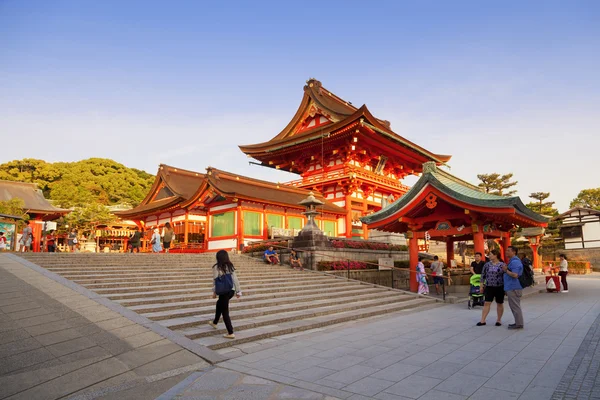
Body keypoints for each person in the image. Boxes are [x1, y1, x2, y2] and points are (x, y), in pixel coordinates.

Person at [209, 250, 242, 339]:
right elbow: (235, 279)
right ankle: (215, 322)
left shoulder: (217, 267)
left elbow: (215, 280)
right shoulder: (230, 265)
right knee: (219, 304)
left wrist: (214, 292)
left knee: (225, 311)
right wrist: (238, 291)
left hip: (223, 291)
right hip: (231, 290)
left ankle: (230, 332)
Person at [477, 249, 505, 326]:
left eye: (490, 254)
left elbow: (505, 276)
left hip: (499, 286)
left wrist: (506, 288)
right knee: (487, 302)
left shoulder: (502, 265)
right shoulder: (487, 265)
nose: (489, 256)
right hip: (489, 286)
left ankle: (499, 320)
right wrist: (481, 286)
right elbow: (483, 275)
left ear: (495, 255)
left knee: (499, 303)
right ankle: (483, 320)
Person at [503, 246, 524, 329]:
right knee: (514, 306)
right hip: (511, 287)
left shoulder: (515, 262)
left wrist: (505, 270)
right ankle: (517, 322)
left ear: (514, 252)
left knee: (515, 306)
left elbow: (515, 275)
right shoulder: (511, 261)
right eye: (506, 250)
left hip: (514, 287)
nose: (506, 252)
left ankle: (519, 323)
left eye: (508, 251)